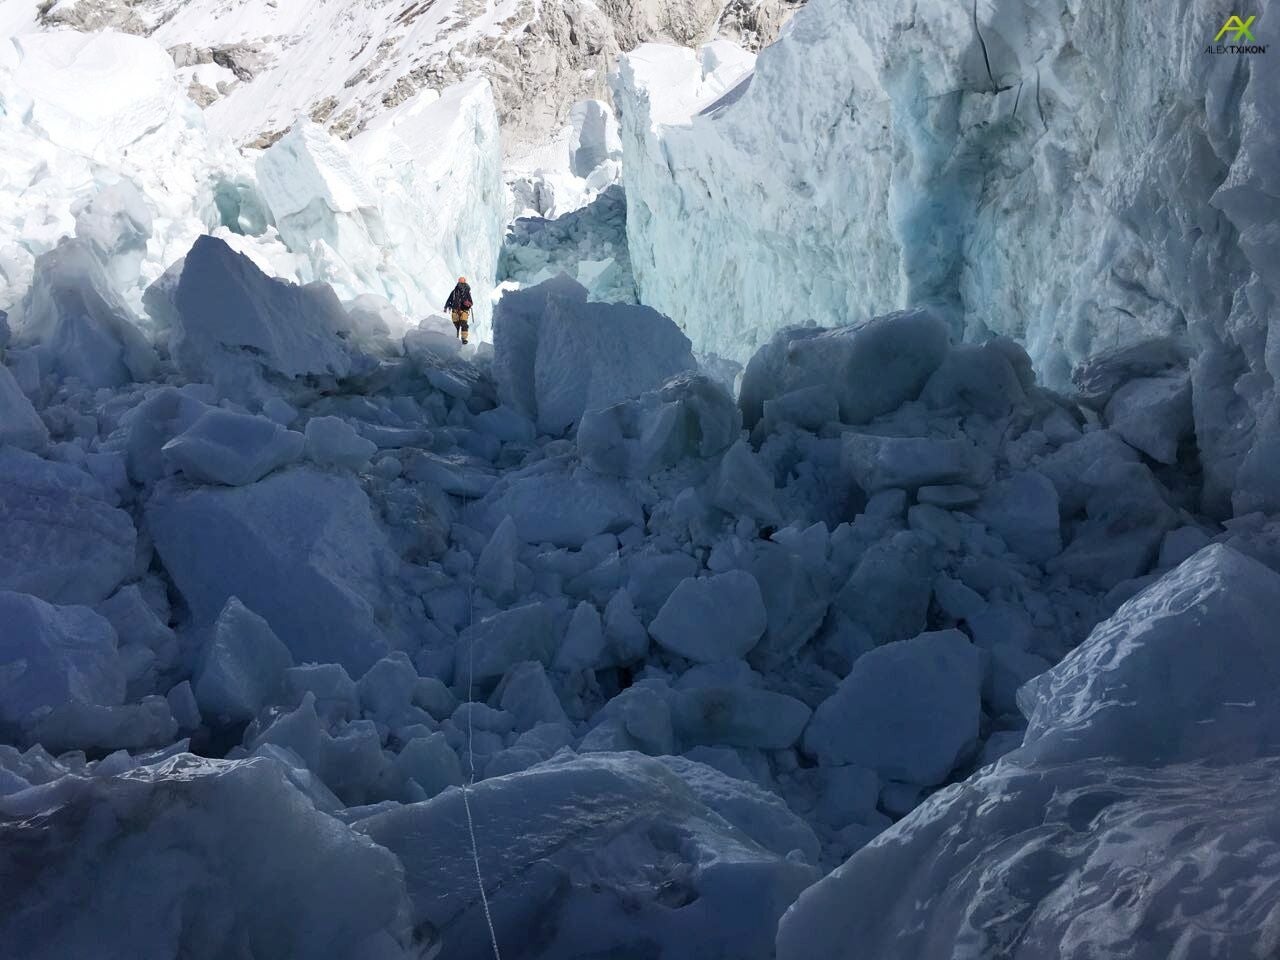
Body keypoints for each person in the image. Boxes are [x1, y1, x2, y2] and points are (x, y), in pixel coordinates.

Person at [444, 276, 473, 344]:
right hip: (455, 310)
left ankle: (463, 338)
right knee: (456, 326)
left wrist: (468, 303)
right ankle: (456, 339)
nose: (461, 284)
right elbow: (449, 299)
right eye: (461, 283)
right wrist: (446, 306)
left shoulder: (467, 292)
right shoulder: (454, 292)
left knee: (463, 324)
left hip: (464, 310)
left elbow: (471, 302)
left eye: (462, 283)